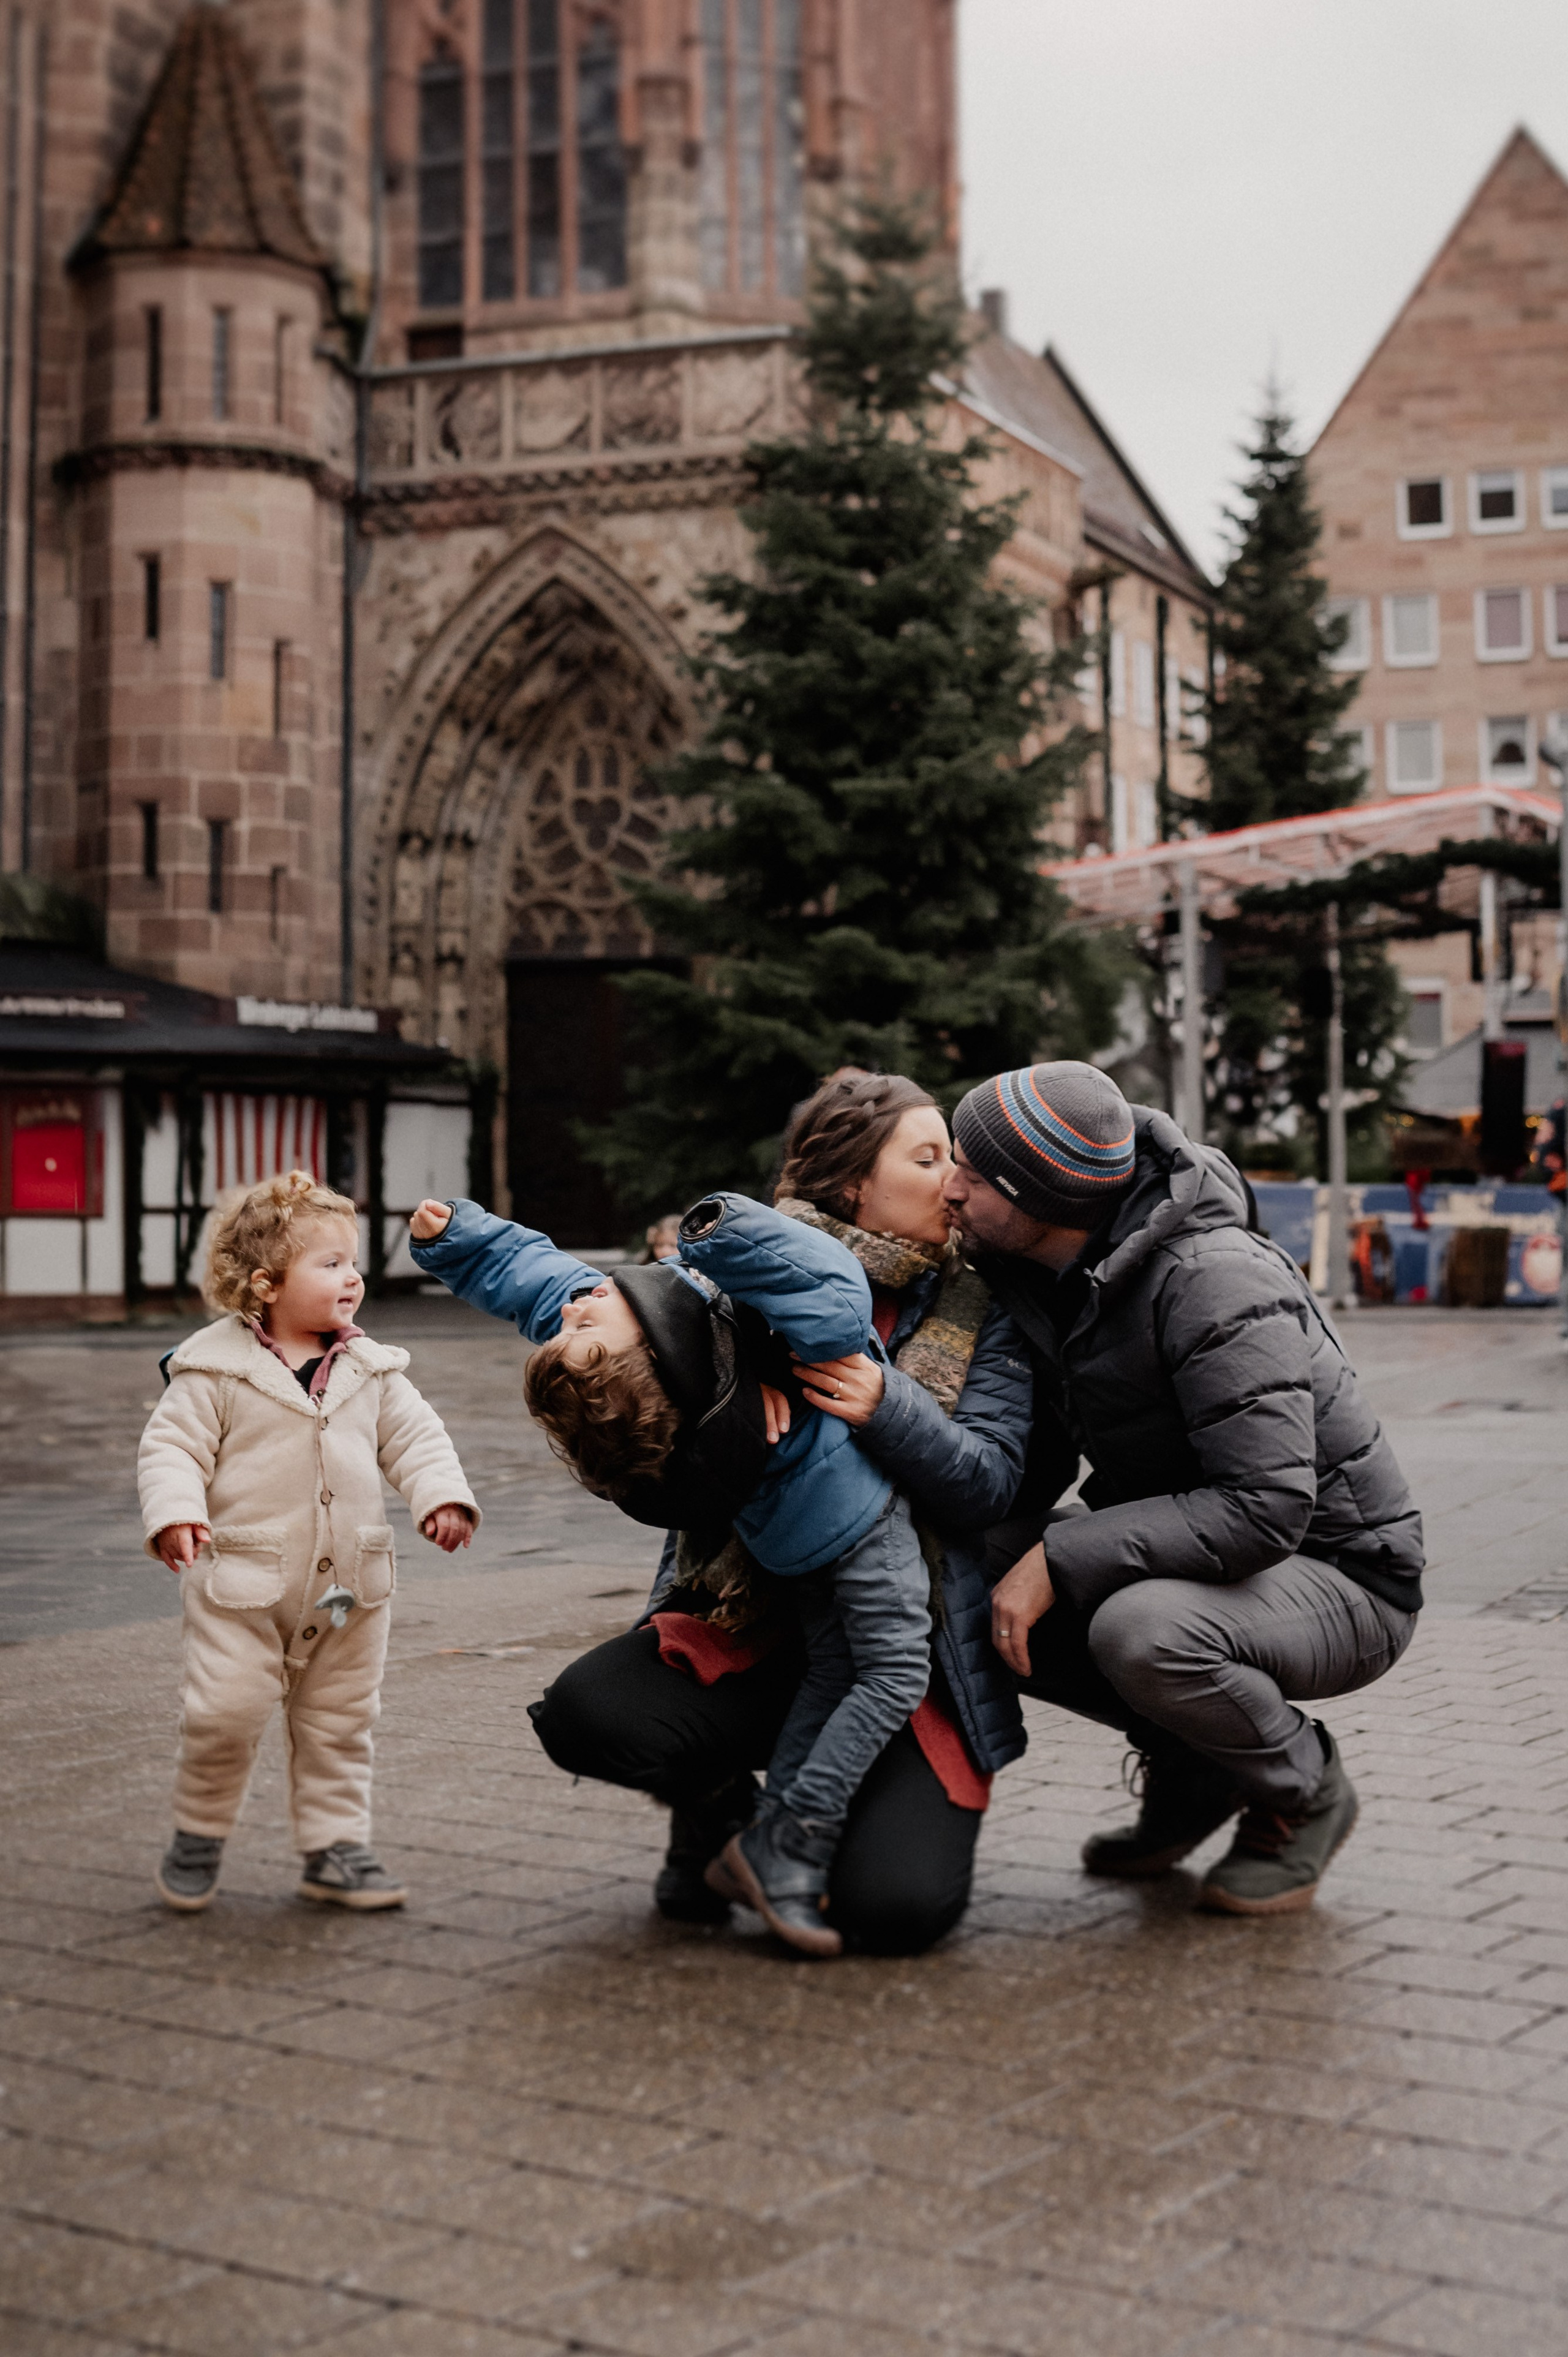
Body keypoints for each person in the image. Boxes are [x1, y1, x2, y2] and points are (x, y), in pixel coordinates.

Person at [493, 1073, 1033, 1955]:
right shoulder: (728, 1289)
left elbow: (986, 1487)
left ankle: (785, 1830)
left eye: (958, 1161)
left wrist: (883, 1403)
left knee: (896, 1910)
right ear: (855, 1184)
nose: (954, 1182)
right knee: (590, 1711)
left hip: (904, 1639)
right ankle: (722, 1821)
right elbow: (640, 1458)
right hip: (754, 1621)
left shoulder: (984, 1309)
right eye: (928, 1157)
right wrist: (735, 1422)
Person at [944, 1061, 1425, 1916]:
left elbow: (1268, 1506)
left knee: (1146, 1632)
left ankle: (1300, 1786)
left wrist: (1060, 1555)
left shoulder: (1212, 1276)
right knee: (957, 1567)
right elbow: (1035, 1467)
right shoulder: (1051, 1279)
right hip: (1211, 1556)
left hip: (1346, 1578)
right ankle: (1202, 1767)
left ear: (1039, 1197)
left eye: (971, 1177)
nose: (948, 1191)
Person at [138, 1171, 479, 1914]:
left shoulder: (373, 1367)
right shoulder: (212, 1370)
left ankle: (335, 1847)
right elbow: (172, 1448)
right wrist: (173, 1511)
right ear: (266, 1283)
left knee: (341, 1719)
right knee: (222, 1713)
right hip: (241, 1587)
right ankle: (198, 1833)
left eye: (353, 1261)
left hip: (350, 1589)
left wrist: (442, 1495)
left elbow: (417, 1439)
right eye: (330, 1264)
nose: (352, 1277)